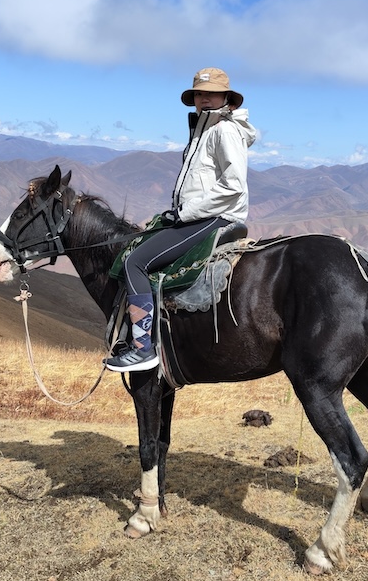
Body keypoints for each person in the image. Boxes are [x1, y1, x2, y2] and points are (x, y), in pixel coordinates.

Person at [104, 67, 256, 372]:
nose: (205, 98)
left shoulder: (224, 130)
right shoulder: (205, 130)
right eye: (200, 93)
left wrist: (184, 214)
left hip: (213, 218)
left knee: (136, 262)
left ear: (227, 98)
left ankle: (142, 349)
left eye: (212, 93)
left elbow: (233, 185)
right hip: (200, 215)